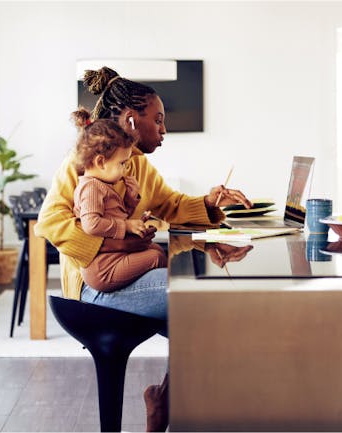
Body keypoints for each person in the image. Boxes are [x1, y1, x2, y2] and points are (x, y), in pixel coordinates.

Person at [34, 66, 252, 432]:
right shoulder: (84, 162)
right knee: (198, 299)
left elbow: (170, 204)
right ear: (132, 121)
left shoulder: (137, 164)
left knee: (203, 311)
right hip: (94, 287)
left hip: (127, 274)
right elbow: (50, 222)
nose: (164, 130)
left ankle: (165, 399)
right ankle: (168, 401)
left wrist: (210, 203)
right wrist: (121, 239)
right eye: (159, 120)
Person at [71, 115, 166, 292]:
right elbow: (91, 224)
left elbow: (114, 216)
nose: (125, 170)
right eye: (122, 163)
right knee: (156, 257)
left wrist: (130, 199)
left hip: (114, 258)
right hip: (104, 269)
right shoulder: (91, 188)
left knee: (157, 250)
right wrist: (127, 226)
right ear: (100, 162)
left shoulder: (103, 185)